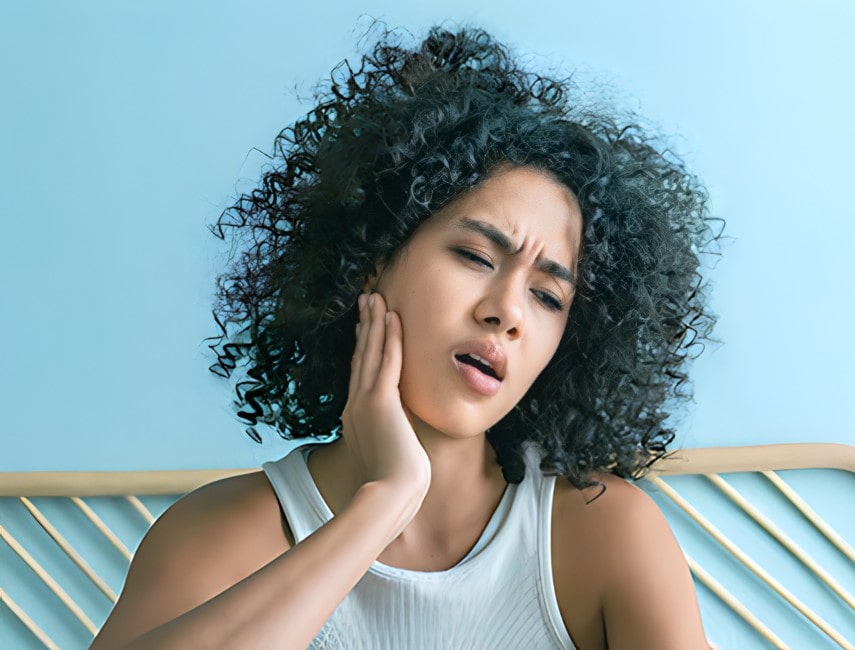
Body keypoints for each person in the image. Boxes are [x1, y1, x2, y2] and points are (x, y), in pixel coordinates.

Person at [92, 24, 719, 649]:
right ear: (373, 255)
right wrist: (382, 506)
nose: (508, 312)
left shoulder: (600, 533)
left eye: (548, 296)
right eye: (476, 256)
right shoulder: (223, 531)